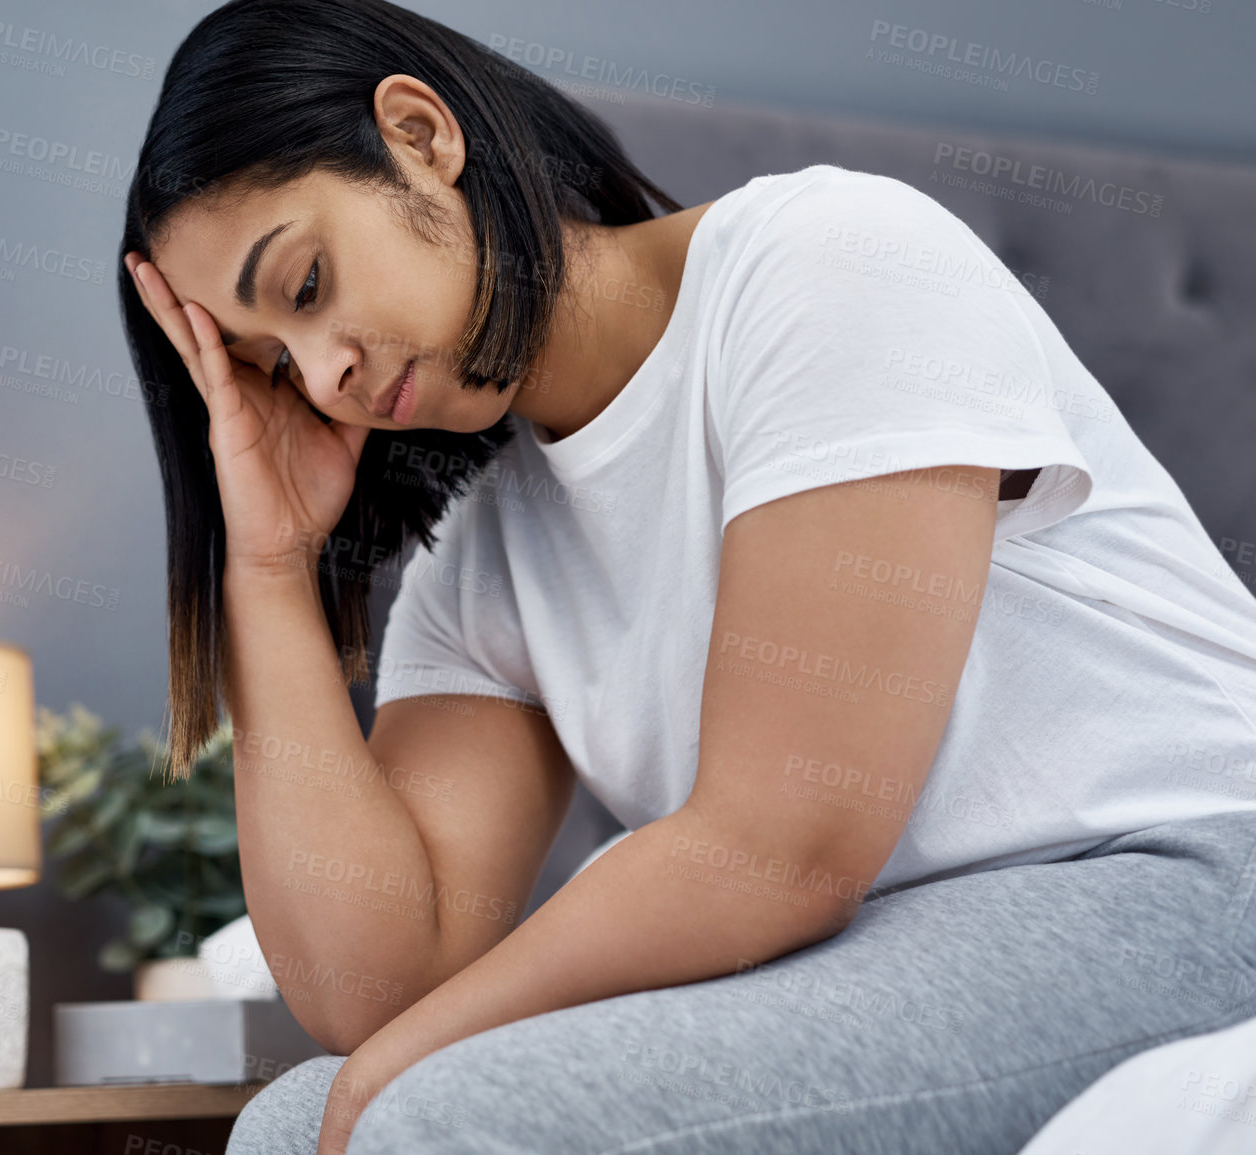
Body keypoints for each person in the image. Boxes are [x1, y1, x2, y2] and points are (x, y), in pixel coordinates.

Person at [115, 1, 1256, 1151]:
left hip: (1186, 872)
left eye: (307, 288)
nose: (324, 377)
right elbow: (375, 988)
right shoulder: (488, 546)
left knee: (439, 1119)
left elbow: (780, 848)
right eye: (271, 365)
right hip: (898, 937)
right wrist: (269, 563)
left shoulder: (828, 264)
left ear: (420, 135)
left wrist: (405, 1066)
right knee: (287, 1126)